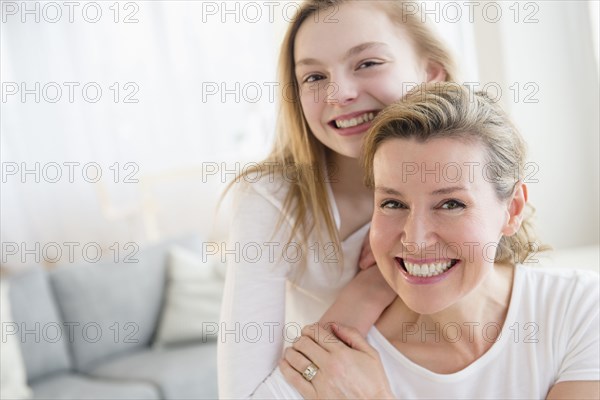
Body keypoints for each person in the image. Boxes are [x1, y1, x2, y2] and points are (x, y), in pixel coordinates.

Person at [274, 83, 600, 399]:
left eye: (451, 205)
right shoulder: (339, 357)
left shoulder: (579, 309)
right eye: (393, 203)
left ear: (512, 210)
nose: (415, 240)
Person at [217, 0, 457, 398]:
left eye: (367, 63)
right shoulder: (271, 199)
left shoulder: (476, 171)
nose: (339, 93)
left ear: (430, 73)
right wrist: (372, 286)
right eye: (313, 76)